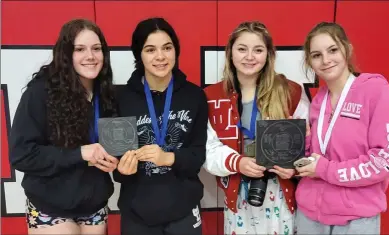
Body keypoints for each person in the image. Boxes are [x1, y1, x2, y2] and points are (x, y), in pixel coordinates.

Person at [294, 22, 389, 234]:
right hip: (310, 215)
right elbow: (317, 157)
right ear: (310, 61)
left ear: (347, 49)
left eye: (333, 50)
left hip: (355, 219)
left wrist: (326, 170)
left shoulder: (374, 90)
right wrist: (301, 145)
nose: (326, 60)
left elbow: (388, 158)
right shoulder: (319, 100)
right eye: (317, 55)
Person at [9, 19, 119, 234]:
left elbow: (113, 148)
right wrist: (80, 153)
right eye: (80, 49)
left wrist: (117, 160)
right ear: (66, 54)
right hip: (50, 205)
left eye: (97, 49)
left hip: (94, 204)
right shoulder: (40, 93)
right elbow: (22, 154)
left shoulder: (106, 94)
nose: (90, 56)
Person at [203, 21, 310, 235]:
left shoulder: (290, 92)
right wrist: (239, 162)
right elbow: (208, 148)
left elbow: (310, 145)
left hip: (280, 193)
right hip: (238, 193)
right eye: (242, 49)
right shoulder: (212, 96)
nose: (249, 57)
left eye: (258, 50)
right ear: (230, 53)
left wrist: (295, 167)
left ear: (269, 54)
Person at [113, 17, 208, 235]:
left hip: (183, 209)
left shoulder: (194, 96)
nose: (160, 57)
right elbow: (116, 160)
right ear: (139, 54)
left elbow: (198, 154)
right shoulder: (121, 98)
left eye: (167, 47)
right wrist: (122, 169)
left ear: (176, 50)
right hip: (137, 212)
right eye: (150, 49)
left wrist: (168, 158)